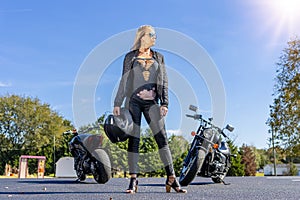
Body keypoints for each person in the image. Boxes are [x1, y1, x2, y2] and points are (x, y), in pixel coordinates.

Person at [113, 25, 187, 194]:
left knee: (162, 139)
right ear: (142, 37)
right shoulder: (130, 57)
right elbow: (124, 80)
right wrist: (117, 102)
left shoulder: (159, 57)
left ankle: (171, 178)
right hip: (134, 102)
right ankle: (133, 179)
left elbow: (164, 81)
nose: (155, 37)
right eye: (151, 35)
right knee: (134, 139)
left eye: (155, 35)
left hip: (152, 102)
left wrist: (165, 103)